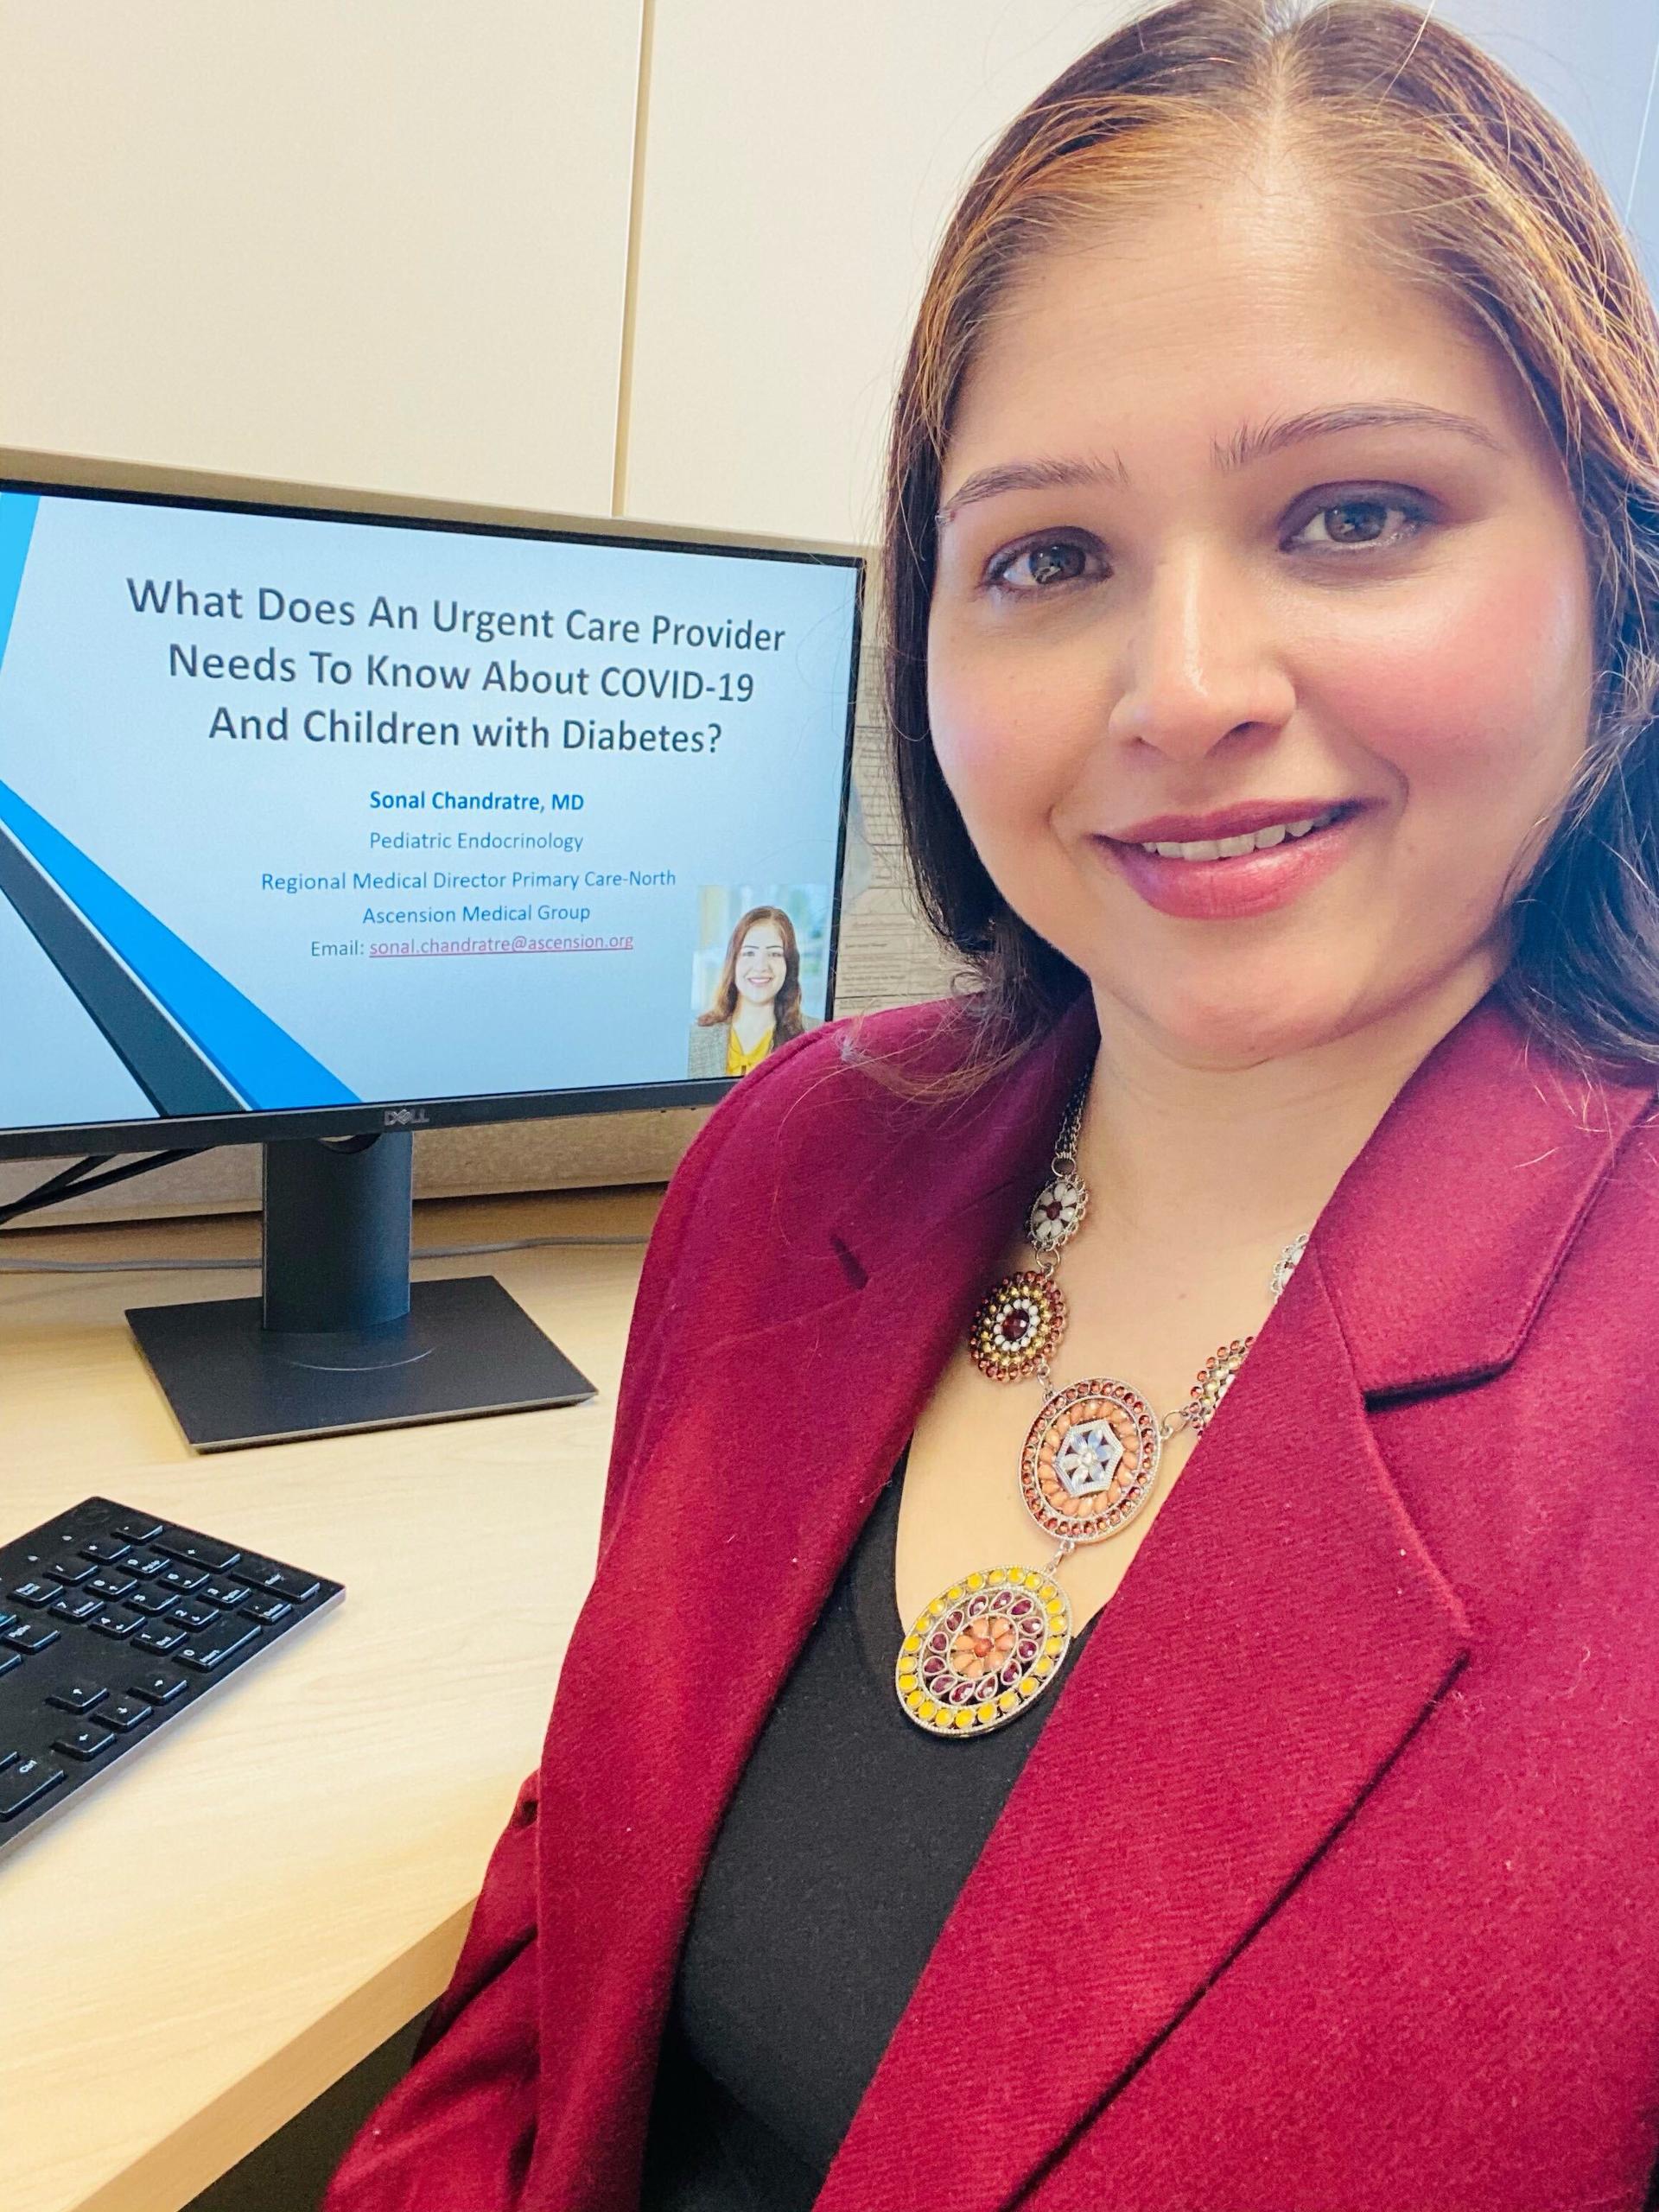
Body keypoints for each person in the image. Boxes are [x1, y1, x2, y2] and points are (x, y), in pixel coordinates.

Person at [322, 0, 1659, 2205]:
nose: (1187, 691)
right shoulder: (792, 1159)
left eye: (1354, 511)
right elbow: (561, 1958)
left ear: (1614, 583)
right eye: (1048, 556)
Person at [686, 904, 814, 1077]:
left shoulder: (815, 1036)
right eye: (749, 953)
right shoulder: (695, 1038)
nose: (761, 966)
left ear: (788, 964)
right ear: (733, 962)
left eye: (775, 954)